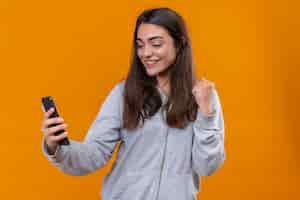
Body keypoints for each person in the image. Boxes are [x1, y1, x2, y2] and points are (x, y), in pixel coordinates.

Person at [41, 7, 225, 200]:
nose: (145, 53)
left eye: (156, 44)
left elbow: (207, 166)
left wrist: (207, 116)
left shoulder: (203, 97)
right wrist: (56, 147)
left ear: (179, 44)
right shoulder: (124, 93)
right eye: (140, 45)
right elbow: (93, 154)